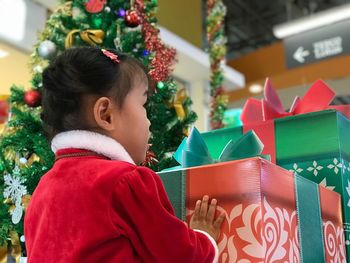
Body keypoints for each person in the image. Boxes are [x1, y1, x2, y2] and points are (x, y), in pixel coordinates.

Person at [24, 47, 225, 262]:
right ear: (106, 114)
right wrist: (205, 238)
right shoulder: (125, 180)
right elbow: (179, 256)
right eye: (143, 104)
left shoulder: (42, 191)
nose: (148, 121)